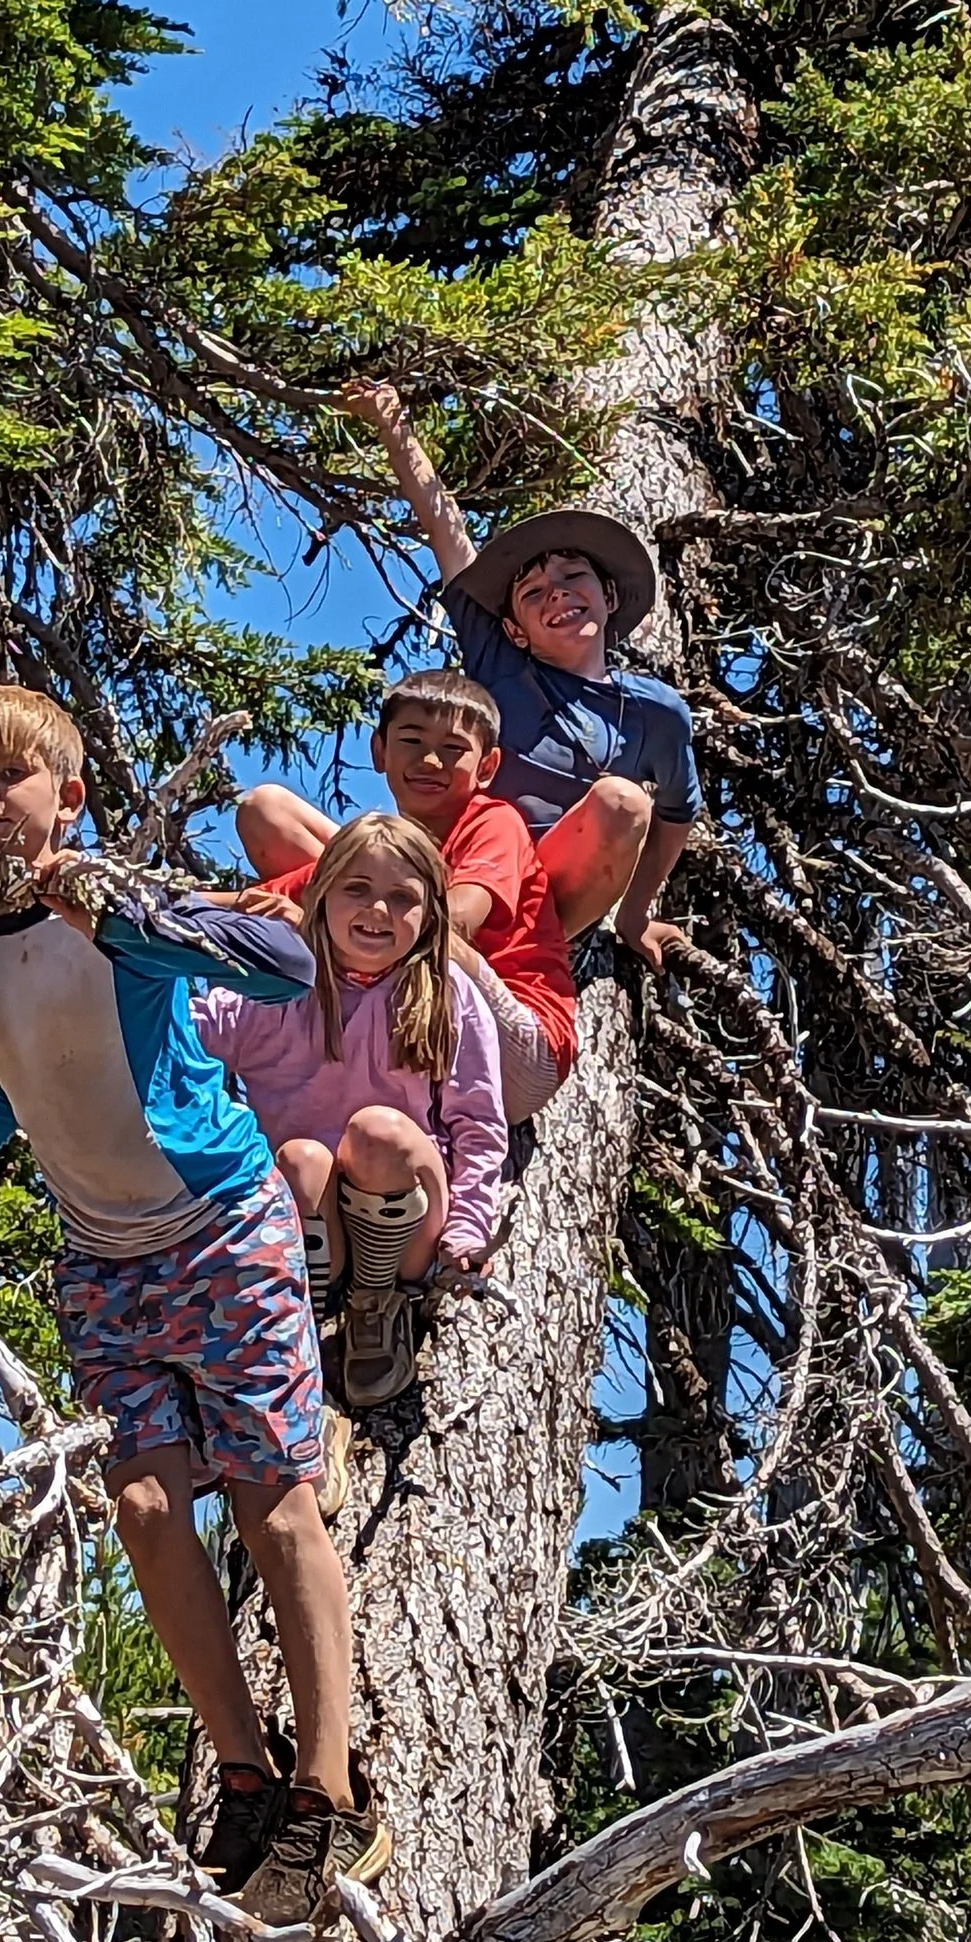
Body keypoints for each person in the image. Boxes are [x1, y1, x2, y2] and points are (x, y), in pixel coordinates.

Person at [0, 682, 387, 1930]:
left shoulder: (109, 905)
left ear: (69, 793)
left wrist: (123, 900)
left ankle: (332, 1793)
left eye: (13, 776)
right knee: (149, 1505)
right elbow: (18, 1085)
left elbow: (279, 964)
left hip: (222, 1229)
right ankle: (243, 1775)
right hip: (103, 1257)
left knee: (275, 1501)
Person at [332, 379, 700, 968]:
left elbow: (677, 812)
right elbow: (446, 534)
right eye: (533, 593)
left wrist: (635, 919)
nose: (557, 595)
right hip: (454, 875)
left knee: (622, 802)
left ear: (607, 596)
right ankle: (370, 928)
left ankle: (483, 943)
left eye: (572, 577)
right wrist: (392, 424)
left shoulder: (656, 713)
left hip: (545, 896)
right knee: (274, 814)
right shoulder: (502, 667)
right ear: (514, 630)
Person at [195, 813, 506, 1417]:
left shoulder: (445, 993)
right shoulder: (275, 986)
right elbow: (183, 1039)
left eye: (403, 898)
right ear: (319, 894)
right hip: (305, 1212)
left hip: (405, 1218)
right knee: (300, 1160)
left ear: (431, 915)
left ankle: (378, 1307)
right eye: (357, 889)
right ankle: (303, 1314)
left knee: (377, 1131)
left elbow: (479, 1123)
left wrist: (469, 1226)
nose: (378, 911)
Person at [234, 665, 577, 1126]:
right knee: (360, 902)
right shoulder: (385, 860)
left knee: (392, 924)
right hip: (429, 1038)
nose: (430, 762)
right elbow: (247, 907)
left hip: (521, 1047)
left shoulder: (492, 821)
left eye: (452, 749)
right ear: (380, 751)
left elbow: (456, 920)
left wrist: (315, 924)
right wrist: (154, 901)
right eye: (412, 741)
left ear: (488, 767)